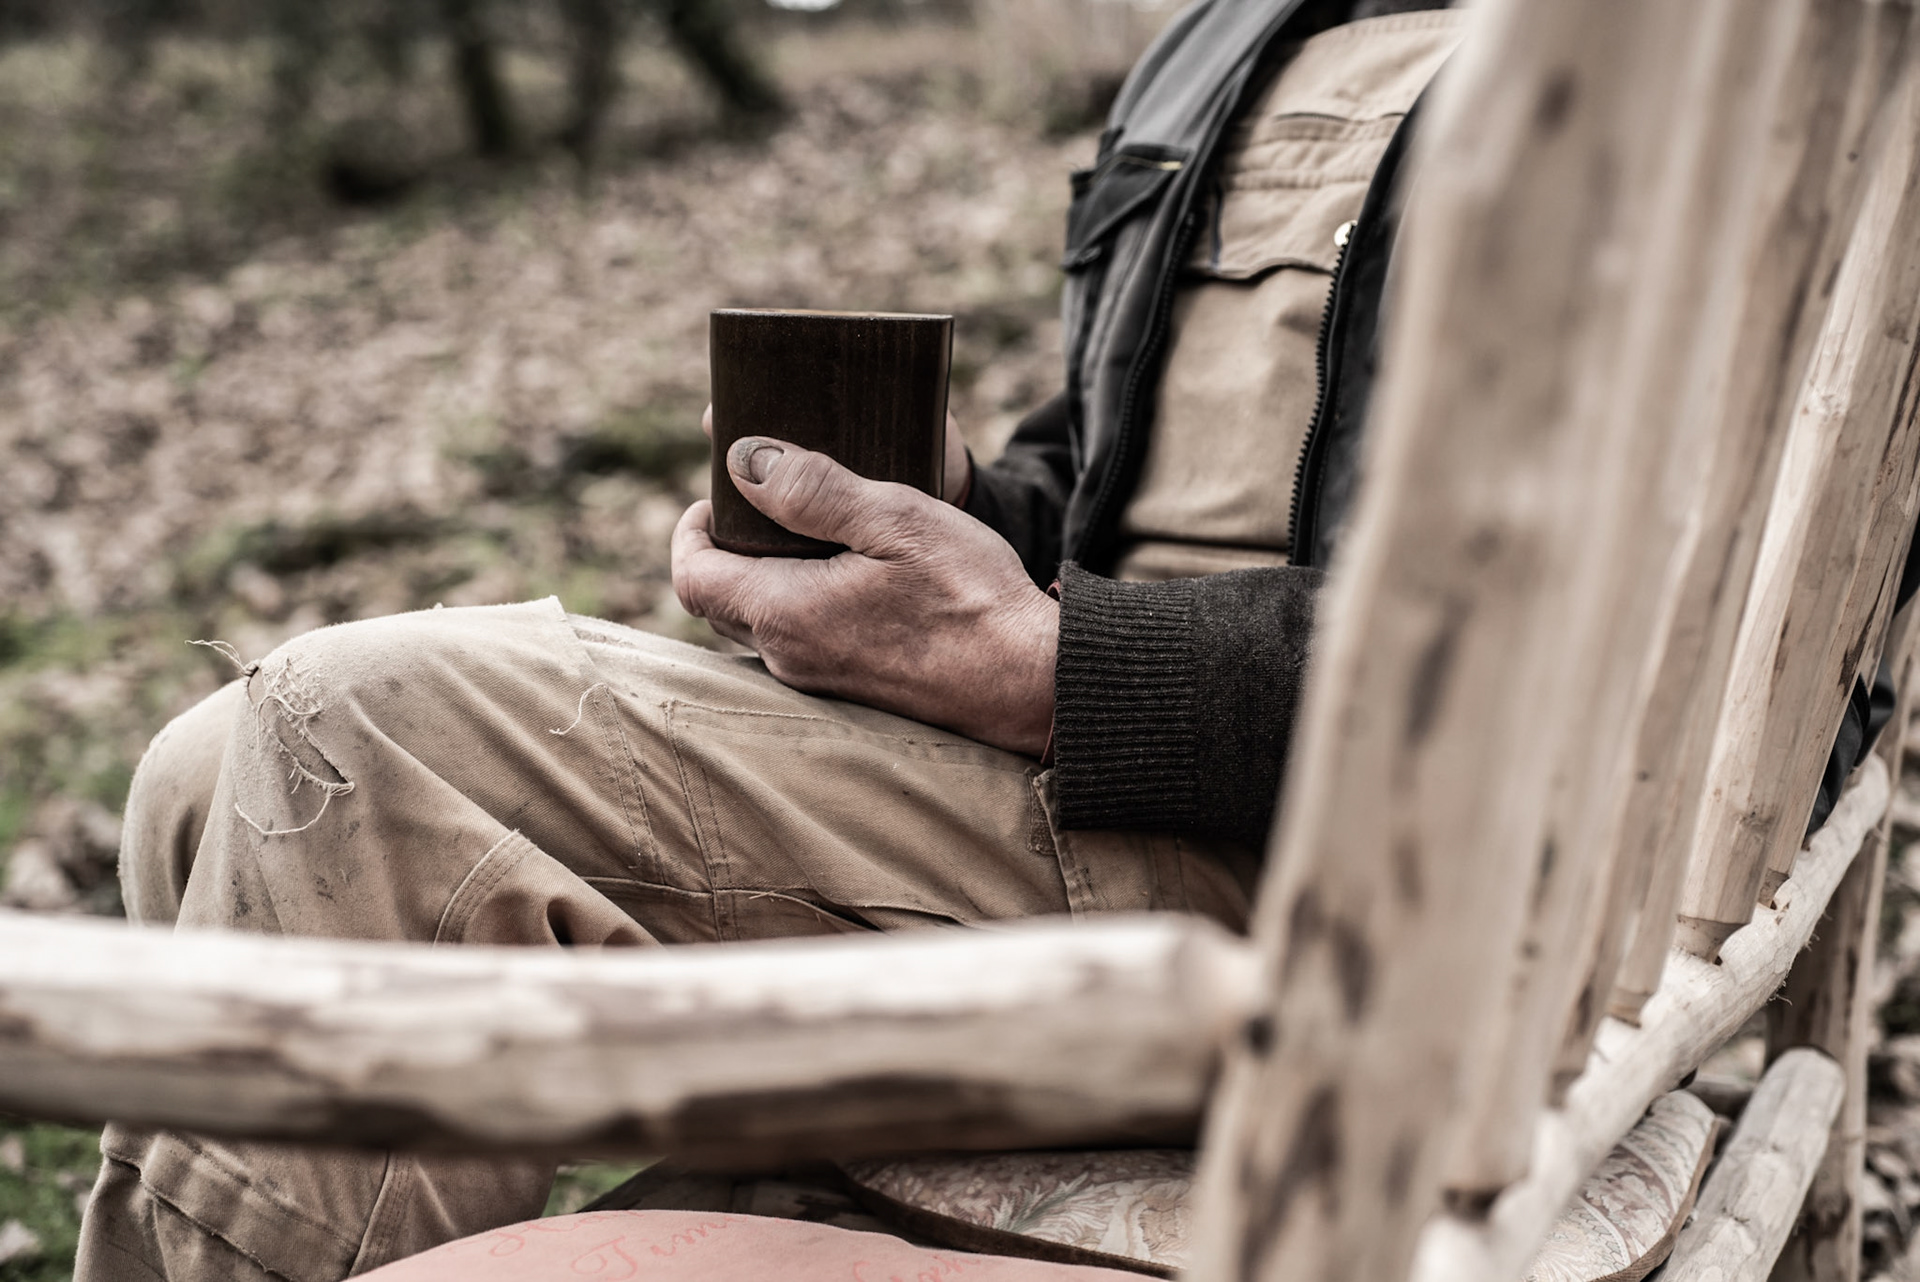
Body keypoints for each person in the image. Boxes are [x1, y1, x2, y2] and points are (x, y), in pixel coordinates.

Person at [74, 3, 1471, 1278]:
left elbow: (1584, 667)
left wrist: (1051, 666)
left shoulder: (1632, 95)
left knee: (351, 734)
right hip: (1078, 789)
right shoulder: (1231, 38)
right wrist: (964, 510)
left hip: (1354, 879)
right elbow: (1111, 480)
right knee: (205, 768)